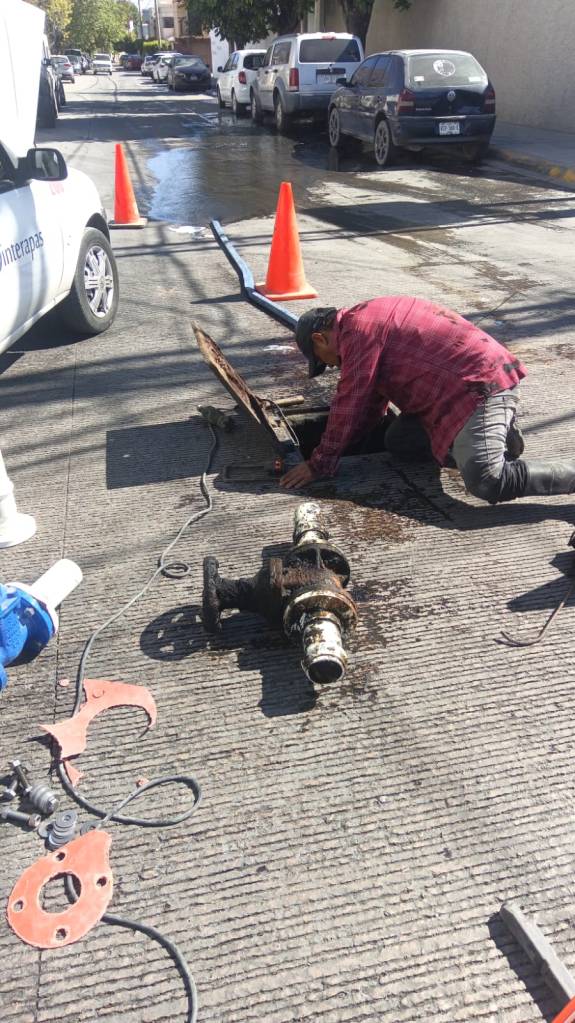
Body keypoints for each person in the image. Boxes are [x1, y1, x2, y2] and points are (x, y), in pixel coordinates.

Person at [280, 296, 575, 503]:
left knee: (487, 481)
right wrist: (344, 447)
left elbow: (350, 402)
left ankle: (563, 473)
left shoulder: (357, 333)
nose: (333, 367)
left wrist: (319, 463)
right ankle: (491, 437)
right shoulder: (365, 318)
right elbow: (369, 406)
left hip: (479, 389)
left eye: (325, 362)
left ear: (320, 339)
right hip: (447, 395)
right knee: (400, 441)